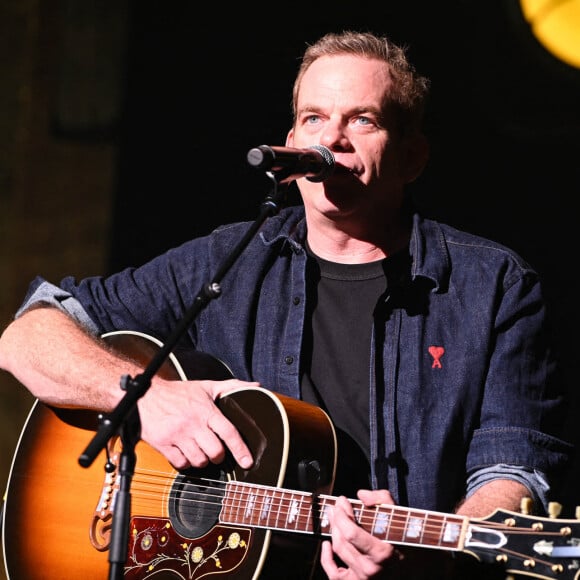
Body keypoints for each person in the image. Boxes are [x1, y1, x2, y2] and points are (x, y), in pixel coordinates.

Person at [0, 30, 573, 579]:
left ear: (412, 157)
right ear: (291, 146)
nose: (333, 139)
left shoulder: (492, 285)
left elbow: (514, 467)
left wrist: (437, 556)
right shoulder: (232, 257)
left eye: (363, 120)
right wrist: (145, 398)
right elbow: (26, 336)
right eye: (314, 119)